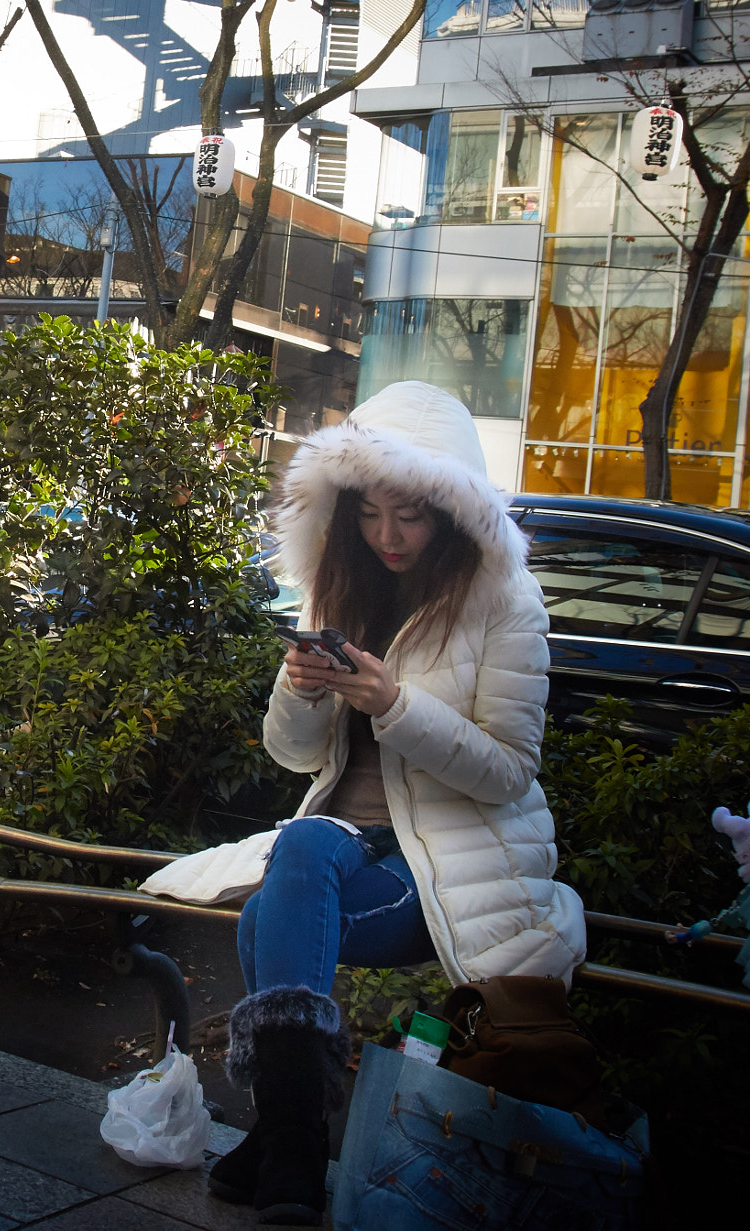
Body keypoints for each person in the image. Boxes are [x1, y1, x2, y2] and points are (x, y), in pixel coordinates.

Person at [174, 381, 585, 1225]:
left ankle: (283, 1134)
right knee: (304, 848)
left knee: (272, 906)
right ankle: (292, 1133)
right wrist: (304, 688)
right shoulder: (341, 588)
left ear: (453, 512)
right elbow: (292, 754)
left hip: (440, 862)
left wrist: (394, 703)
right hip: (339, 850)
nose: (387, 537)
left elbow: (510, 770)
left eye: (411, 516)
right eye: (368, 513)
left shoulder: (506, 603)